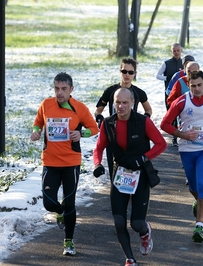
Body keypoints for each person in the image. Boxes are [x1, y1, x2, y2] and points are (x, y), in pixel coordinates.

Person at [93, 88, 167, 266]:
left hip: (140, 174)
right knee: (119, 221)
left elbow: (161, 144)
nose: (121, 106)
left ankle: (145, 231)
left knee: (136, 223)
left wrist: (144, 158)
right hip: (120, 175)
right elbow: (98, 148)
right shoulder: (108, 123)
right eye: (118, 102)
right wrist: (97, 164)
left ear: (133, 103)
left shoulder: (142, 122)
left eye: (125, 102)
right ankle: (130, 259)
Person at [30, 72, 99, 256]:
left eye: (63, 89)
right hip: (50, 162)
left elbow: (94, 128)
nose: (59, 93)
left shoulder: (79, 109)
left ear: (71, 89)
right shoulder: (46, 105)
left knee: (71, 203)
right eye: (56, 89)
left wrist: (81, 134)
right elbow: (37, 123)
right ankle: (59, 211)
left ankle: (68, 241)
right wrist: (36, 132)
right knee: (49, 202)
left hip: (71, 163)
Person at [160, 70, 203, 243]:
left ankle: (199, 226)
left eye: (199, 85)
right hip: (187, 150)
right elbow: (164, 124)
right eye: (193, 86)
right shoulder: (181, 101)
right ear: (188, 85)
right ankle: (199, 202)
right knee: (193, 186)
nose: (197, 89)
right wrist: (182, 135)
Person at [94, 57, 152, 179]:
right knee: (114, 171)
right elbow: (98, 111)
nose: (127, 75)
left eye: (130, 72)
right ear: (120, 72)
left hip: (133, 134)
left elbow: (148, 110)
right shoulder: (110, 91)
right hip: (113, 134)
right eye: (124, 71)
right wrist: (100, 120)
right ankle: (116, 193)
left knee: (133, 171)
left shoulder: (139, 93)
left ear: (135, 74)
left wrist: (143, 121)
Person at [165, 54, 195, 146]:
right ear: (183, 65)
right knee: (176, 119)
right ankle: (175, 137)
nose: (188, 65)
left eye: (191, 63)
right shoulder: (177, 76)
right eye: (186, 64)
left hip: (195, 103)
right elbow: (169, 90)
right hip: (180, 103)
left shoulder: (200, 75)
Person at [155, 43, 183, 110]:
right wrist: (167, 78)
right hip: (169, 92)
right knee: (170, 112)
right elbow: (157, 75)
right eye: (174, 51)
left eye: (178, 50)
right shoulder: (166, 63)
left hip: (182, 92)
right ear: (171, 51)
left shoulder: (184, 63)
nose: (176, 52)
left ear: (181, 50)